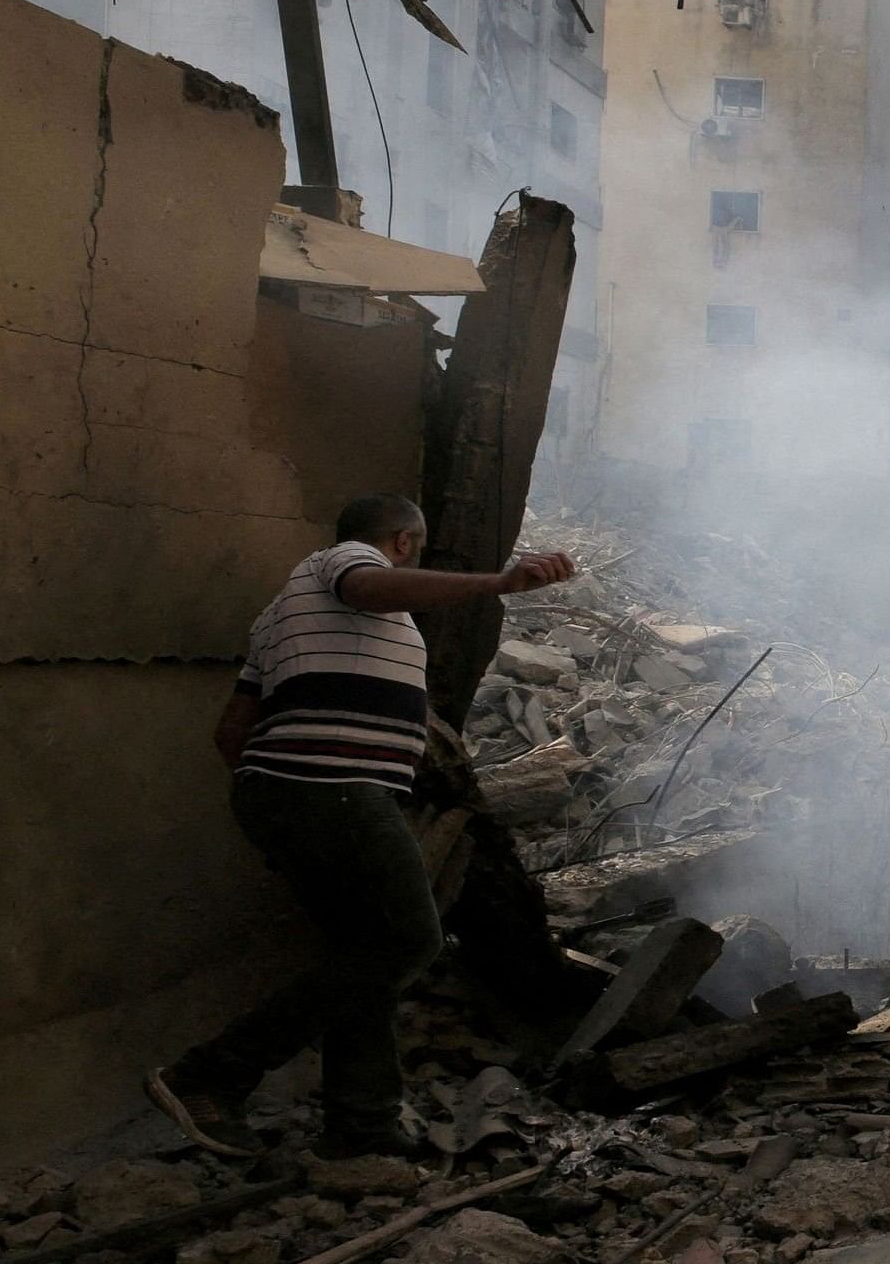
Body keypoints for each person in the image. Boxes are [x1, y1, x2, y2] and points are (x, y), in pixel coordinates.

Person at [146, 494, 574, 1159]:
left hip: (296, 795)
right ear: (403, 543)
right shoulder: (339, 565)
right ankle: (207, 1075)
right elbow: (368, 584)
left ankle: (362, 1125)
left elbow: (231, 731)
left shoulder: (276, 619)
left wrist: (276, 808)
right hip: (333, 792)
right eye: (418, 550)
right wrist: (498, 583)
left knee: (366, 953)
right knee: (406, 941)